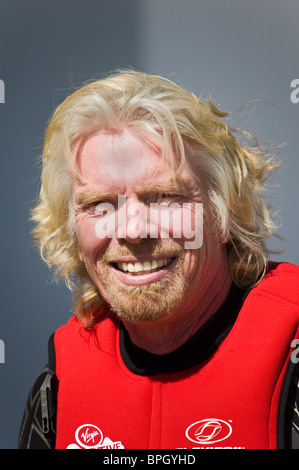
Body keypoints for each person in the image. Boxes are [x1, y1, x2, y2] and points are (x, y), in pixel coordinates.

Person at [18, 70, 299, 449]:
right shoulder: (58, 387)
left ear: (225, 214)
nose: (134, 231)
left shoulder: (291, 353)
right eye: (99, 204)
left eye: (165, 197)